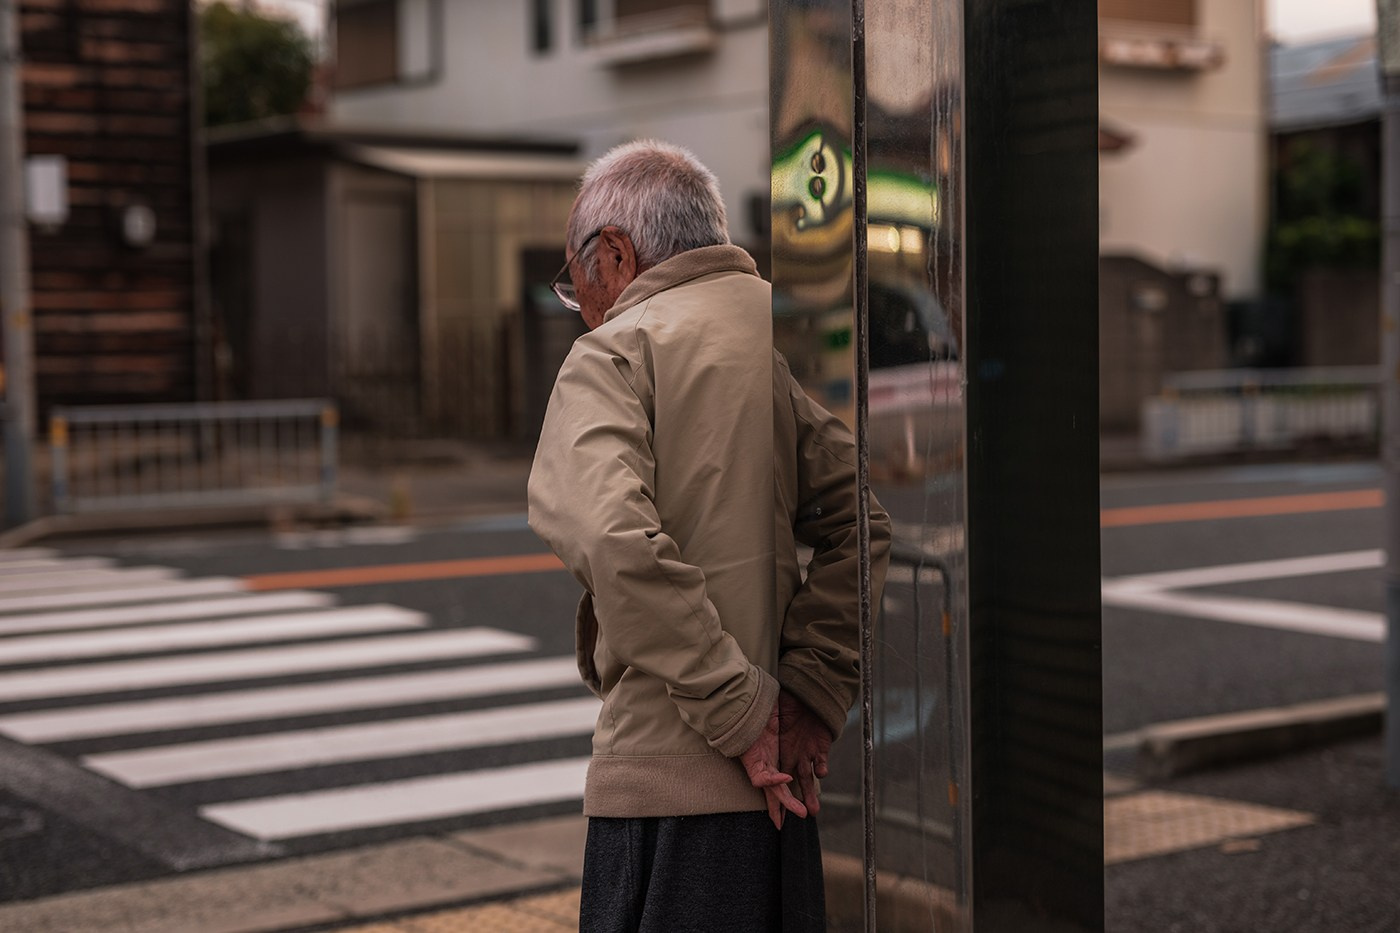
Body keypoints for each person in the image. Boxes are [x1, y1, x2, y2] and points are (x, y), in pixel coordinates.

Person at [528, 139, 890, 933]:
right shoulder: (766, 344)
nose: (580, 303)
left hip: (668, 793)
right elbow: (859, 523)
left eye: (573, 281)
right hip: (784, 795)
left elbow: (614, 537)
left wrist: (742, 711)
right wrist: (810, 698)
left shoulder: (615, 353)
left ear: (614, 254)